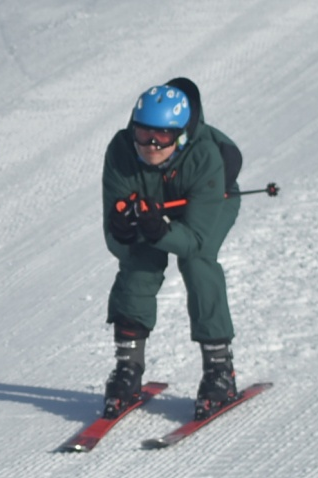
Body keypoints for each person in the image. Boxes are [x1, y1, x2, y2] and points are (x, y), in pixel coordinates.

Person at [101, 78, 245, 420]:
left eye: (163, 136)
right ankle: (128, 367)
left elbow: (196, 239)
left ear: (180, 136)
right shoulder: (121, 151)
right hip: (153, 208)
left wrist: (160, 230)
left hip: (209, 204)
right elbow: (115, 238)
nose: (151, 145)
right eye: (143, 133)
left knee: (198, 263)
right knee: (139, 262)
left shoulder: (205, 156)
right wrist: (123, 232)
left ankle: (219, 369)